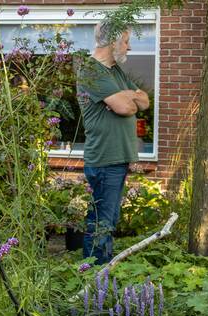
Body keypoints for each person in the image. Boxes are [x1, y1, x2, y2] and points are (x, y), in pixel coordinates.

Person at [76, 22, 150, 264]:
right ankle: (94, 276)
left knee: (108, 218)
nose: (129, 47)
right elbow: (126, 107)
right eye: (126, 41)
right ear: (113, 42)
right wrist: (126, 99)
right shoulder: (91, 70)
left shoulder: (114, 71)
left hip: (117, 157)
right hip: (105, 157)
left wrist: (126, 96)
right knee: (102, 221)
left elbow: (144, 102)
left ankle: (100, 274)